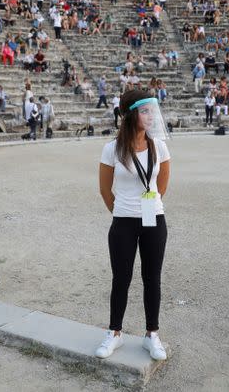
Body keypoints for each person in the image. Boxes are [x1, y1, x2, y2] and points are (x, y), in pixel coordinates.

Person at [97, 89, 170, 362]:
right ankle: (115, 333)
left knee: (152, 279)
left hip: (154, 220)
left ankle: (152, 334)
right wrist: (124, 210)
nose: (150, 116)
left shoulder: (159, 146)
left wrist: (147, 206)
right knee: (121, 278)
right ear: (130, 115)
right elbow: (105, 190)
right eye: (145, 110)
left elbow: (161, 185)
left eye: (152, 110)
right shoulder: (111, 149)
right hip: (123, 222)